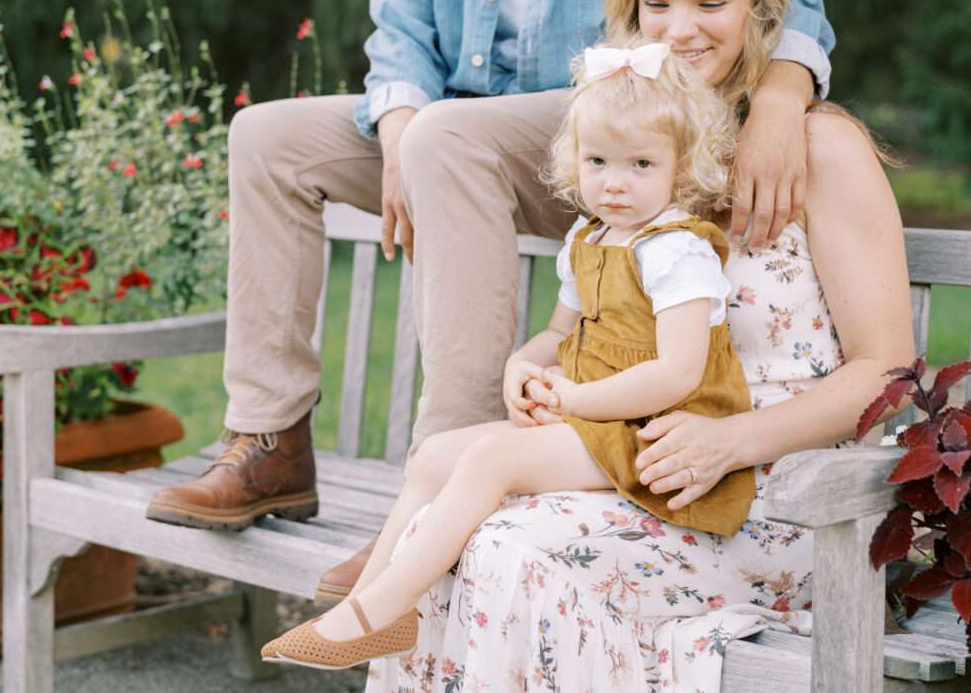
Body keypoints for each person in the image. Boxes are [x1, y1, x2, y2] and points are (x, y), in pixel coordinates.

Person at [145, 0, 837, 600]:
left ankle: (439, 502)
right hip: (466, 142)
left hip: (623, 144)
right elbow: (400, 27)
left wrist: (778, 102)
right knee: (269, 137)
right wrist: (397, 129)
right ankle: (269, 442)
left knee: (448, 136)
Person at [365, 0, 914, 692]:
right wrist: (540, 369)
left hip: (785, 497)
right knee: (459, 530)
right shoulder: (637, 154)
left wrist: (731, 440)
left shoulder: (819, 147)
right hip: (636, 468)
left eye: (709, 4)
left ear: (761, 3)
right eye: (659, 5)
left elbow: (889, 373)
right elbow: (593, 320)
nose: (682, 30)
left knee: (517, 550)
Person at [262, 36, 759, 669]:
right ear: (575, 161)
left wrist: (577, 398)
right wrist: (524, 365)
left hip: (661, 439)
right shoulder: (589, 236)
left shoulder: (677, 250)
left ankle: (373, 610)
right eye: (599, 161)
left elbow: (678, 373)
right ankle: (372, 609)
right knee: (439, 454)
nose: (614, 183)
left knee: (492, 455)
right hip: (597, 421)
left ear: (679, 168)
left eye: (641, 165)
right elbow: (559, 333)